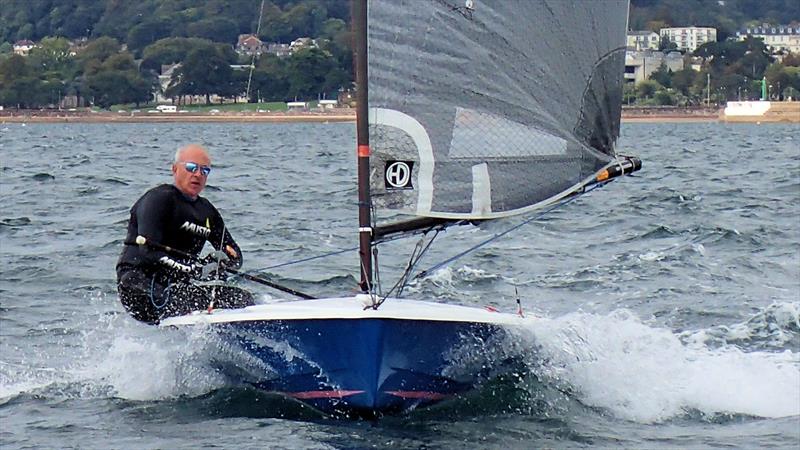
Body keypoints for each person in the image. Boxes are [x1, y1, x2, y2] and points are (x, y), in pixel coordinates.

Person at [116, 144, 254, 324]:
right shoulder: (158, 199)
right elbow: (148, 251)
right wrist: (192, 269)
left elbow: (235, 254)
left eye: (204, 170)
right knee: (187, 301)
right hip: (138, 285)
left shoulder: (207, 211)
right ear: (175, 169)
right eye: (191, 168)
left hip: (175, 288)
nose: (197, 174)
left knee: (241, 299)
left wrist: (218, 262)